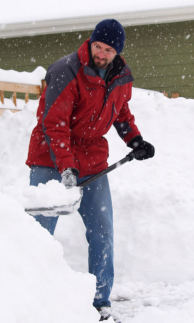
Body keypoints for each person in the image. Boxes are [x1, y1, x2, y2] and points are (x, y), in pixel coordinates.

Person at [26, 19, 155, 321]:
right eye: (98, 46)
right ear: (91, 42)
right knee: (38, 233)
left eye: (108, 50)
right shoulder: (66, 70)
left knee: (102, 231)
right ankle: (32, 296)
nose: (101, 53)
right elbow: (53, 125)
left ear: (117, 52)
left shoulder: (122, 76)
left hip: (92, 160)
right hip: (50, 157)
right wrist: (66, 167)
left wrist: (134, 138)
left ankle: (100, 301)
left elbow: (121, 111)